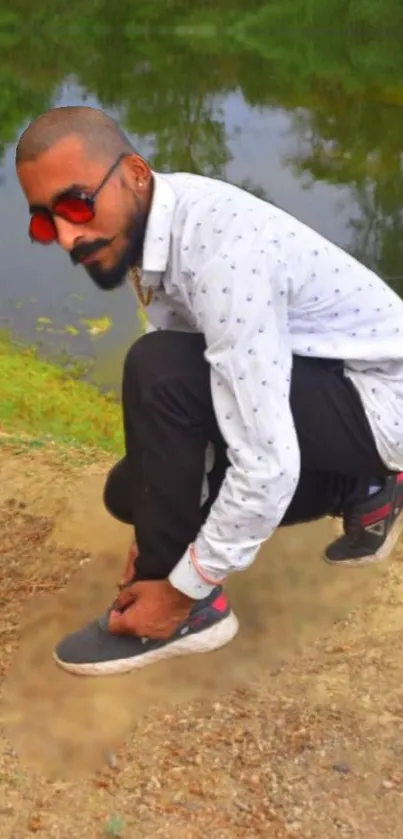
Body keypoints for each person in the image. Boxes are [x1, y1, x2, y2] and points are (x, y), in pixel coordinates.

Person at [15, 105, 403, 677]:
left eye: (76, 204)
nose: (69, 236)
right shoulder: (151, 230)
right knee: (131, 492)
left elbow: (266, 463)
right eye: (46, 223)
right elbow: (183, 396)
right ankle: (365, 488)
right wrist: (154, 538)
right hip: (326, 383)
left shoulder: (225, 256)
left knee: (157, 369)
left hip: (381, 396)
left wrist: (180, 582)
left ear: (136, 175)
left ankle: (191, 615)